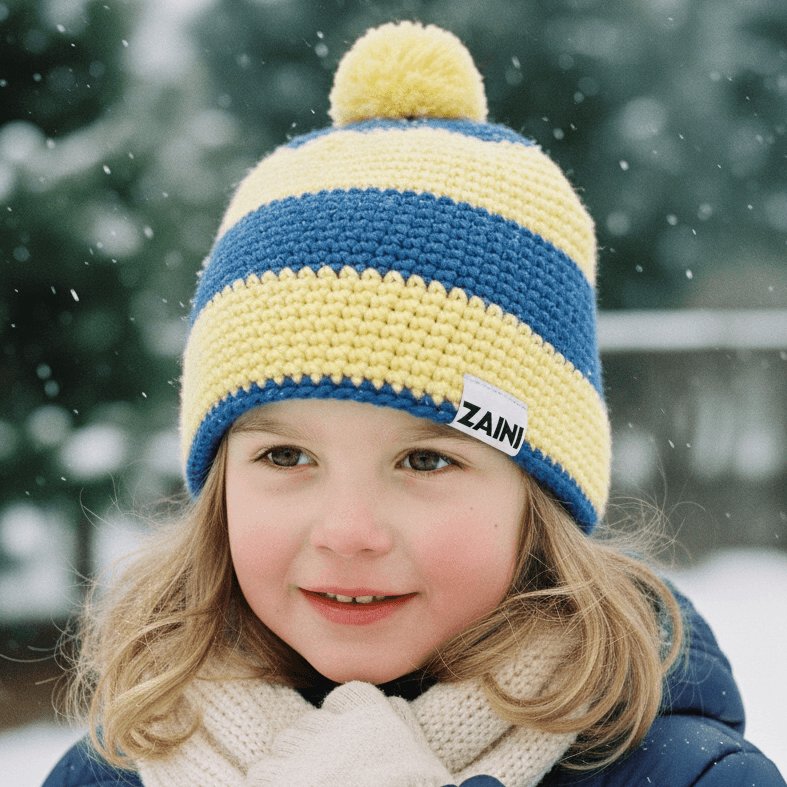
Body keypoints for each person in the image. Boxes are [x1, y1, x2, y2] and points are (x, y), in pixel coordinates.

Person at [43, 21, 784, 787]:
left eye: (426, 458)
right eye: (285, 455)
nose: (347, 531)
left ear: (539, 491)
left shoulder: (683, 777)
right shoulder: (115, 769)